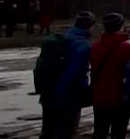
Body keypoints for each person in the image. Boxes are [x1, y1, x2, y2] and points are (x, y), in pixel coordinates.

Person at [36, 11, 95, 139]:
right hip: (68, 97)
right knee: (66, 132)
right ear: (90, 26)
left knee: (47, 132)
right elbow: (74, 72)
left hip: (48, 92)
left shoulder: (63, 38)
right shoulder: (82, 45)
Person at [89, 12, 130, 139]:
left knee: (99, 130)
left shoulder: (95, 47)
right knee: (118, 131)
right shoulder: (125, 48)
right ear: (120, 27)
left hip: (99, 95)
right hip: (119, 96)